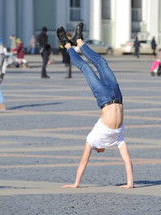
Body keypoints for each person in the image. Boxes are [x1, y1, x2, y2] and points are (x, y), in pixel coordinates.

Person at [56, 22, 134, 189]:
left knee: (86, 68)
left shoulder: (92, 139)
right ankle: (79, 42)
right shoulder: (117, 140)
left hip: (104, 98)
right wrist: (130, 183)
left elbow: (84, 161)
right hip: (117, 96)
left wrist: (76, 184)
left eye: (100, 151)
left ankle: (68, 44)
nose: (101, 150)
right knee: (102, 62)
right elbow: (127, 159)